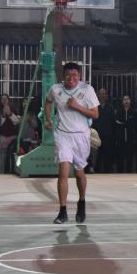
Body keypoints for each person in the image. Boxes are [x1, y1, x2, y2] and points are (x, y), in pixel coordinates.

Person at [44, 62, 100, 224]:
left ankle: (81, 202)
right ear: (63, 76)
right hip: (62, 135)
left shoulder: (87, 90)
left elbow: (95, 114)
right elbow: (48, 101)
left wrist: (76, 106)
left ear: (79, 76)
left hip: (81, 136)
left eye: (75, 75)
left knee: (79, 173)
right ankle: (62, 211)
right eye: (68, 75)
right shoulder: (56, 89)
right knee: (63, 172)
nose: (71, 78)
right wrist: (48, 119)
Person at [115, 95, 137, 173]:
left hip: (130, 139)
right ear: (122, 102)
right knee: (120, 158)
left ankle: (129, 174)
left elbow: (134, 125)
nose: (126, 101)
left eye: (128, 99)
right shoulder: (119, 112)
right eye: (124, 99)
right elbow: (117, 123)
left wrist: (124, 124)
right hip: (120, 139)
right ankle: (120, 174)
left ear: (130, 101)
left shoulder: (134, 112)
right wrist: (127, 124)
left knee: (130, 158)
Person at [0, 102, 20, 173]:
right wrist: (3, 115)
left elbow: (16, 122)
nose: (4, 100)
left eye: (6, 98)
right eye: (3, 99)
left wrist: (10, 114)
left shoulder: (13, 109)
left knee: (12, 154)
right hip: (2, 135)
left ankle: (12, 170)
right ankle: (0, 171)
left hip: (12, 135)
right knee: (2, 155)